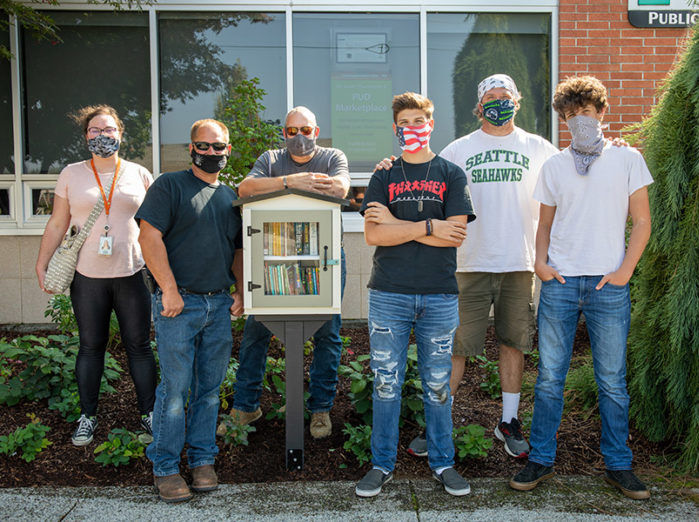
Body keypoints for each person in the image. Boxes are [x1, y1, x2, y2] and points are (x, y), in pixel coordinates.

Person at [380, 75, 559, 460]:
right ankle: (438, 425)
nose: (498, 102)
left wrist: (610, 149)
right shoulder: (459, 150)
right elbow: (421, 175)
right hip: (468, 264)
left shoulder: (539, 147)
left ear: (518, 100)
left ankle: (508, 422)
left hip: (519, 263)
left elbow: (572, 176)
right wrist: (390, 166)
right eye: (490, 98)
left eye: (505, 97)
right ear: (479, 106)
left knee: (514, 343)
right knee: (455, 348)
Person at [509, 76, 652, 500]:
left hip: (610, 284)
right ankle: (541, 458)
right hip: (562, 283)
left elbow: (642, 221)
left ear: (601, 113)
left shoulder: (628, 160)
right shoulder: (554, 166)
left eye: (586, 114)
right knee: (551, 378)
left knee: (612, 380)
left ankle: (618, 465)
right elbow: (545, 224)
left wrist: (625, 270)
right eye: (571, 117)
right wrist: (540, 264)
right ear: (563, 121)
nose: (579, 122)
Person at [355, 92, 475, 498]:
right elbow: (373, 234)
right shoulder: (384, 176)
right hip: (389, 293)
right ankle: (381, 464)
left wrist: (400, 223)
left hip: (439, 296)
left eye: (419, 121)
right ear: (396, 128)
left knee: (438, 385)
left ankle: (443, 462)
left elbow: (455, 235)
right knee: (386, 383)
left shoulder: (451, 174)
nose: (412, 128)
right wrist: (429, 226)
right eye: (405, 123)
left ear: (431, 124)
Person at [218, 106, 350, 440]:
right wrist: (292, 181)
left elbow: (340, 190)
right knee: (256, 331)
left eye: (305, 130)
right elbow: (246, 190)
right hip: (275, 259)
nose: (299, 137)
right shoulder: (272, 160)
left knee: (327, 333)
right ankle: (246, 407)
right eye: (292, 131)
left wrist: (277, 189)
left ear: (316, 131)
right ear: (284, 134)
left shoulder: (333, 156)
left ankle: (320, 409)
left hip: (324, 257)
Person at [35, 105, 156, 448]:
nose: (102, 136)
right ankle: (88, 416)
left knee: (140, 347)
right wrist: (42, 263)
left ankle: (150, 413)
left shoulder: (139, 173)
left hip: (132, 272)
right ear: (85, 135)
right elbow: (58, 222)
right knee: (90, 347)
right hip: (86, 276)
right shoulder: (71, 174)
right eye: (94, 130)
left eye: (108, 130)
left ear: (120, 133)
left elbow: (154, 226)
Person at [137, 119, 243, 503]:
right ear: (192, 147)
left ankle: (202, 460)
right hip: (178, 305)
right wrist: (168, 290)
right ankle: (165, 466)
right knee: (176, 390)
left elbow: (237, 249)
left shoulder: (230, 196)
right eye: (205, 145)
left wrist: (240, 292)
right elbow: (148, 237)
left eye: (219, 147)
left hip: (218, 304)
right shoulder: (170, 185)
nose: (212, 152)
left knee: (210, 391)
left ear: (227, 151)